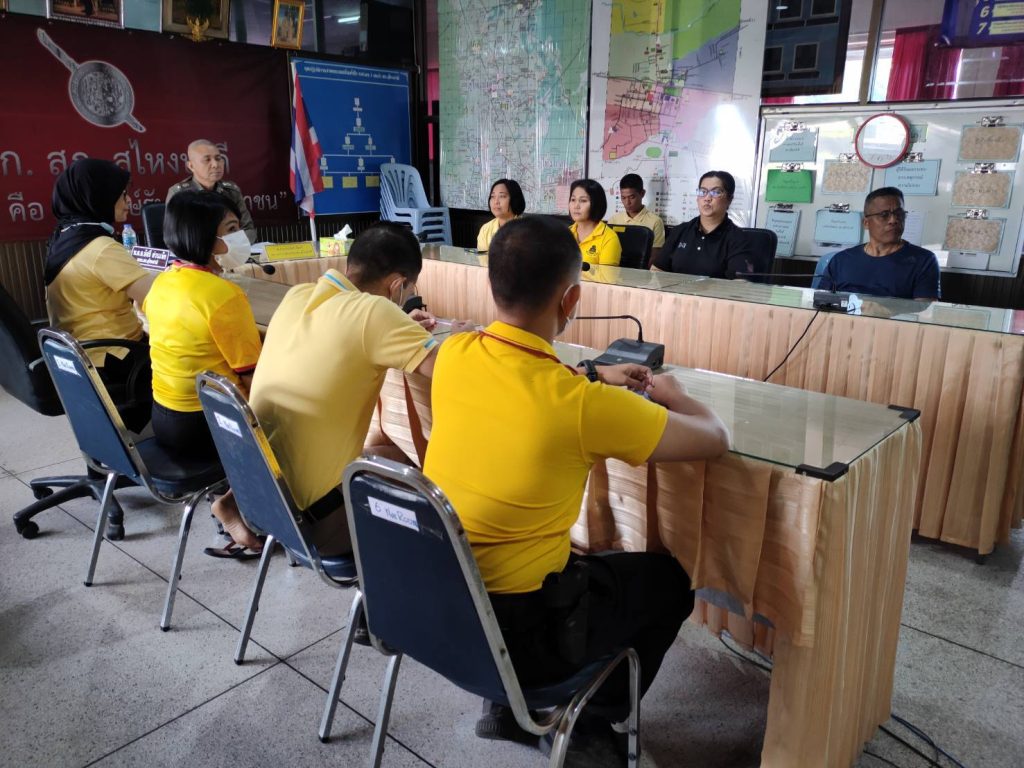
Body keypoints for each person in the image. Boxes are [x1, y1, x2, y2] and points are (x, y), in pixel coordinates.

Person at [423, 216, 731, 764]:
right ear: (571, 300)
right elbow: (715, 439)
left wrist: (590, 372)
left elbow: (528, 376)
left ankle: (503, 704)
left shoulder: (455, 353)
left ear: (492, 284)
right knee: (667, 582)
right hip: (528, 632)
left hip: (444, 606)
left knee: (584, 560)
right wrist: (674, 393)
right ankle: (585, 720)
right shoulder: (582, 407)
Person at [247, 223, 474, 557]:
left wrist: (399, 325)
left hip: (263, 495)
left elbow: (356, 331)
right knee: (436, 491)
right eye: (409, 287)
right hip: (318, 520)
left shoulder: (298, 295)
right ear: (397, 284)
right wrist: (462, 339)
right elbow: (453, 371)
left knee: (393, 453)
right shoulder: (376, 314)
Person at [143, 190, 263, 556]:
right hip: (208, 426)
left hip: (164, 417)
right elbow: (252, 376)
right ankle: (237, 502)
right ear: (207, 239)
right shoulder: (222, 296)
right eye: (231, 229)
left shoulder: (162, 282)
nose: (239, 236)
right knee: (292, 419)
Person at [45, 158, 154, 429]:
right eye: (122, 194)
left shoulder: (64, 237)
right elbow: (159, 295)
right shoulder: (101, 247)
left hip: (81, 359)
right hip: (118, 361)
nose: (129, 201)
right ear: (99, 196)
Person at [822, 187, 940, 300]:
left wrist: (886, 310)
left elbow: (926, 310)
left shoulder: (923, 260)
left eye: (899, 214)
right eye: (884, 215)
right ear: (866, 223)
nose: (893, 220)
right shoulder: (841, 260)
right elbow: (820, 301)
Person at [652, 170, 754, 279]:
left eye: (716, 192)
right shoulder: (680, 231)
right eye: (703, 191)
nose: (707, 198)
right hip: (676, 290)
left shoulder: (738, 239)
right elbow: (656, 270)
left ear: (729, 199)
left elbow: (739, 283)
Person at [166, 140, 256, 242]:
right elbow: (174, 237)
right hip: (197, 251)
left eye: (218, 158)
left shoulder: (231, 191)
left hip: (231, 249)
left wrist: (230, 246)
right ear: (191, 166)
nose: (215, 164)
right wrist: (214, 247)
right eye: (207, 160)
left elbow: (248, 229)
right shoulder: (179, 194)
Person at [608, 173, 666, 262]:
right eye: (623, 198)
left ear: (642, 193)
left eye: (632, 197)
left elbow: (655, 256)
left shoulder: (655, 221)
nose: (627, 202)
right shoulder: (614, 220)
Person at [568, 178, 621, 267]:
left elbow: (606, 275)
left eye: (583, 201)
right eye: (573, 200)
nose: (576, 206)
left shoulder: (609, 238)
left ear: (596, 204)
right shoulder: (565, 234)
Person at [477, 179, 525, 251]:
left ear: (514, 199)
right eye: (493, 196)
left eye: (502, 196)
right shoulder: (486, 229)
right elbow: (482, 257)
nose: (496, 202)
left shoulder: (525, 230)